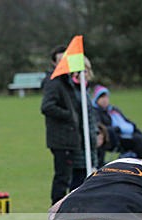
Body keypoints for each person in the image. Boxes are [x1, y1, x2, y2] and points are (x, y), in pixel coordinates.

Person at [40, 50, 98, 205]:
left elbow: (87, 115)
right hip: (63, 140)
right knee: (64, 178)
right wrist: (70, 115)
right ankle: (57, 212)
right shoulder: (55, 82)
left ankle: (75, 210)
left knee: (80, 177)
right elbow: (47, 107)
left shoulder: (76, 87)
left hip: (79, 140)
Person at [92, 85, 142, 166]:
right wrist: (118, 129)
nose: (105, 100)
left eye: (106, 97)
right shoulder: (96, 112)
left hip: (128, 134)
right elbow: (102, 128)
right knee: (139, 141)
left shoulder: (114, 109)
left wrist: (131, 126)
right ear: (97, 99)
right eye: (102, 98)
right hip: (116, 138)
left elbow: (125, 120)